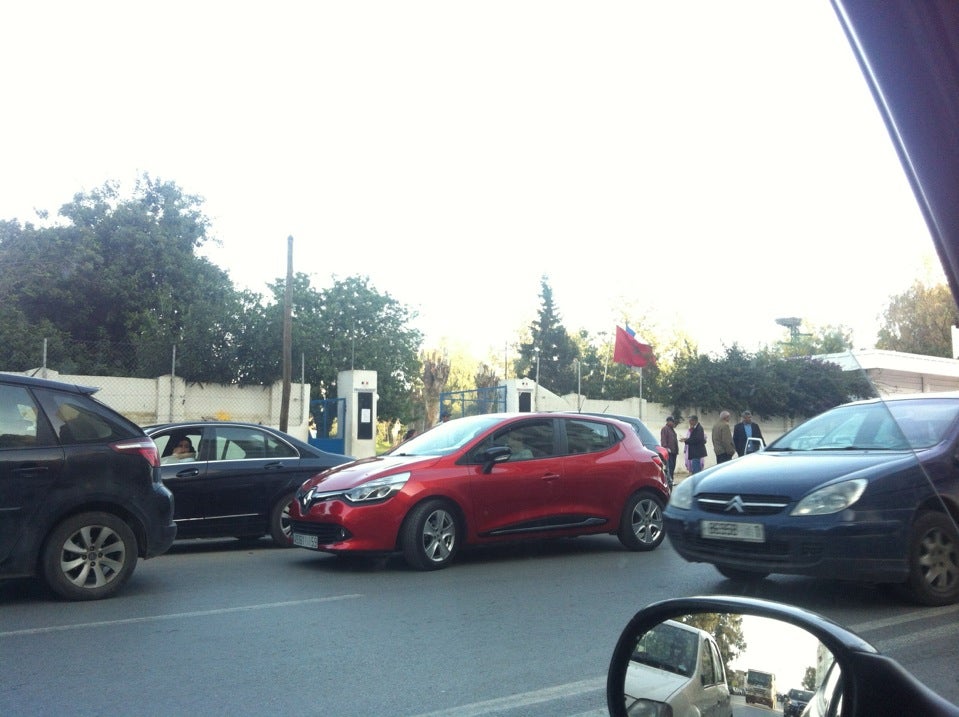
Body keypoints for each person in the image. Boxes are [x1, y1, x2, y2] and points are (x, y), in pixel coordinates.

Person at [660, 416, 679, 485]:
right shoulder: (665, 429)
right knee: (669, 466)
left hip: (674, 452)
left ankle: (671, 479)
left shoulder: (672, 430)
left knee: (673, 466)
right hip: (669, 452)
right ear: (668, 421)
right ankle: (669, 481)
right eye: (672, 421)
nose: (673, 423)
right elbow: (663, 440)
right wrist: (666, 448)